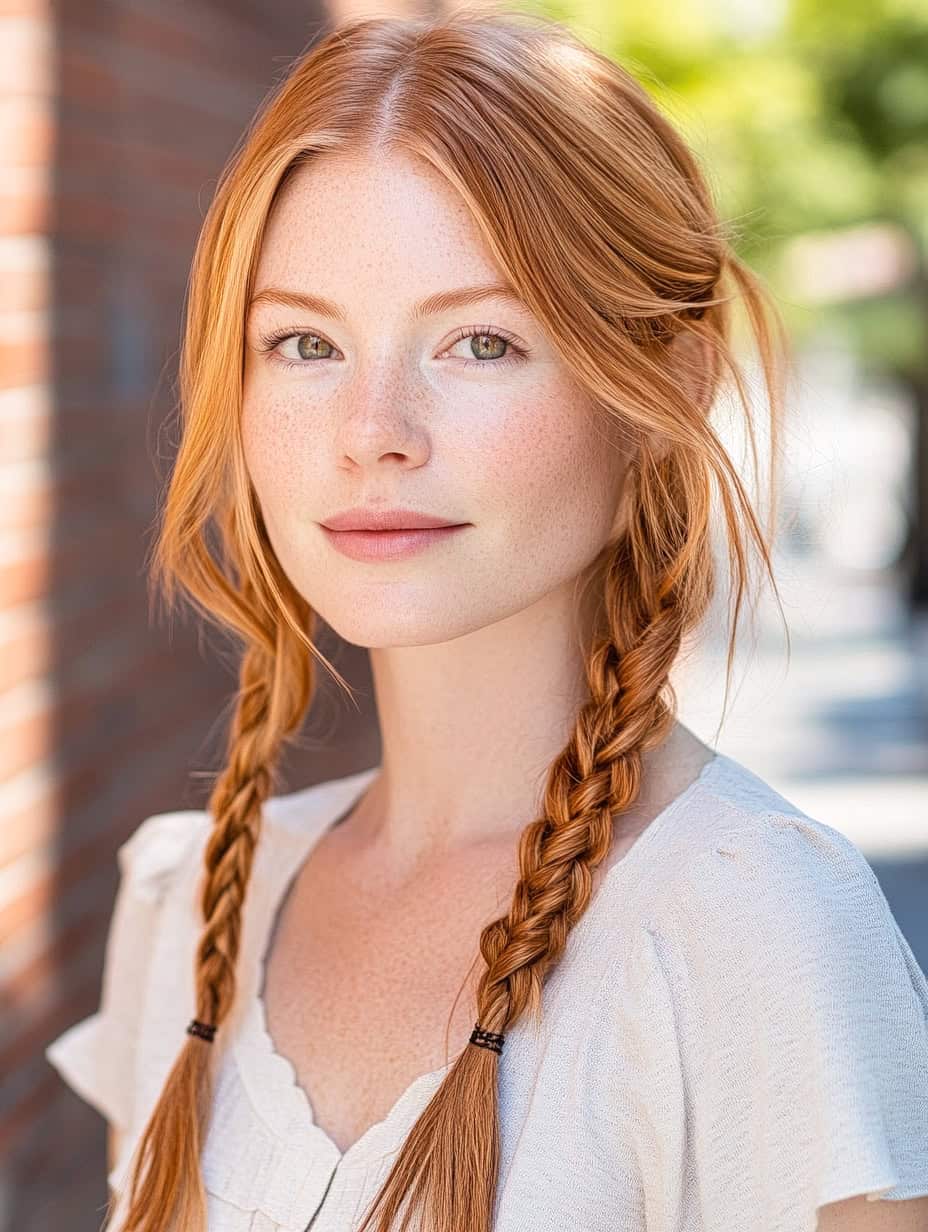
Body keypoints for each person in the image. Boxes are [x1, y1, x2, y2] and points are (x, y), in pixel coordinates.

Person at [45, 7, 928, 1232]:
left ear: (660, 391)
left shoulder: (749, 927)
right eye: (304, 342)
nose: (374, 430)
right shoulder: (192, 903)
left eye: (478, 341)